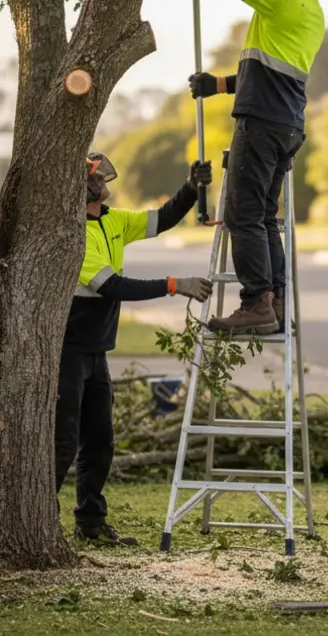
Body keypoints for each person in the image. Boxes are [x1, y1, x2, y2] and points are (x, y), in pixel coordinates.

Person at [187, 0, 328, 335]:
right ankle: (273, 303)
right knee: (262, 218)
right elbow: (264, 72)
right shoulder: (308, 14)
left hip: (261, 124)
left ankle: (256, 302)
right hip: (285, 124)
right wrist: (217, 86)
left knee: (242, 215)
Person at [57, 152, 213, 546]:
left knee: (100, 441)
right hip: (67, 353)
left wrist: (192, 189)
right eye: (97, 179)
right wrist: (175, 285)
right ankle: (38, 522)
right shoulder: (74, 235)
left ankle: (90, 523)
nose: (104, 183)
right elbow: (114, 288)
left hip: (96, 350)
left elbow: (161, 219)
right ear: (84, 190)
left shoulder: (113, 220)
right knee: (62, 441)